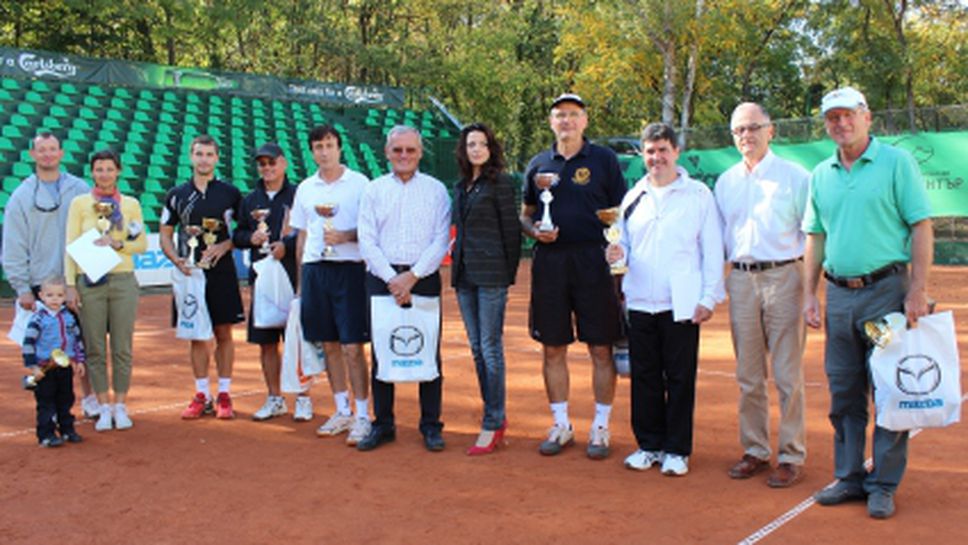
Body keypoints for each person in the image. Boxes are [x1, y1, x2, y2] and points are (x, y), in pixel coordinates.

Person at [803, 87, 933, 519]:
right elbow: (815, 236)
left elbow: (920, 225)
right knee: (843, 391)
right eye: (832, 118)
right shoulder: (821, 173)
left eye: (847, 115)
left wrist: (917, 288)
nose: (840, 124)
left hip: (885, 296)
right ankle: (849, 476)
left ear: (867, 116)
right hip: (839, 297)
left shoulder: (897, 163)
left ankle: (883, 484)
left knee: (890, 390)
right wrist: (809, 293)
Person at [608, 123, 724, 477]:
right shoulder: (634, 196)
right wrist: (615, 253)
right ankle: (648, 445)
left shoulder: (699, 194)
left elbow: (713, 249)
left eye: (662, 150)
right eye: (650, 151)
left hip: (682, 302)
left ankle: (677, 450)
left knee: (679, 376)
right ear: (643, 155)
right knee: (644, 377)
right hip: (641, 301)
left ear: (675, 152)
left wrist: (708, 297)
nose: (656, 158)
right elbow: (623, 244)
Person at [520, 93, 625, 459]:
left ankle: (601, 427)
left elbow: (621, 212)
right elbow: (526, 212)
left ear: (585, 120)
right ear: (551, 122)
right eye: (560, 115)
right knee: (552, 347)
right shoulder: (538, 164)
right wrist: (534, 232)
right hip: (550, 263)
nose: (566, 121)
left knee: (600, 347)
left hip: (594, 262)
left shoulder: (604, 160)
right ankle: (561, 424)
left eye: (573, 115)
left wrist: (617, 251)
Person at [714, 103, 810, 487]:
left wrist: (809, 285)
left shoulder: (795, 177)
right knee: (748, 375)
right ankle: (755, 449)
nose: (746, 135)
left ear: (771, 131)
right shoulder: (726, 182)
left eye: (754, 127)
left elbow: (813, 234)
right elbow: (719, 239)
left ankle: (790, 454)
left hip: (785, 276)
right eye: (739, 130)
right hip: (741, 279)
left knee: (788, 374)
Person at [356, 125, 450, 452]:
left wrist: (412, 276)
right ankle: (383, 424)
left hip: (423, 277)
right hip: (381, 279)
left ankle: (431, 425)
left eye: (410, 150)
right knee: (382, 351)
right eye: (398, 150)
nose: (404, 156)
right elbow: (366, 239)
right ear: (387, 152)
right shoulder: (374, 190)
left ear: (420, 152)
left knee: (428, 351)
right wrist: (392, 279)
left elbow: (442, 239)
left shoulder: (437, 190)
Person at [3, 132, 100, 419]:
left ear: (61, 153)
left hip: (78, 281)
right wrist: (22, 287)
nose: (47, 155)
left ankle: (91, 400)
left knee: (85, 343)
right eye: (41, 150)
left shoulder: (79, 189)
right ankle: (53, 408)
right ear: (32, 155)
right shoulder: (21, 196)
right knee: (48, 348)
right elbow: (13, 244)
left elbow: (94, 230)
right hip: (43, 285)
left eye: (52, 149)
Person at [289, 126, 373, 444]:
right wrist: (300, 282)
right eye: (318, 147)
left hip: (349, 270)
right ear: (312, 152)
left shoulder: (360, 184)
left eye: (329, 145)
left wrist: (346, 236)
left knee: (353, 347)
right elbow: (301, 235)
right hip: (314, 270)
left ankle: (363, 415)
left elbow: (370, 230)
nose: (324, 152)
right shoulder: (306, 188)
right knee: (329, 346)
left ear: (340, 148)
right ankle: (342, 410)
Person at [159, 135, 245, 420]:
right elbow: (165, 234)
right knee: (196, 336)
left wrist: (225, 245)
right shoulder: (176, 194)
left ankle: (223, 393)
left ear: (217, 158)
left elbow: (243, 233)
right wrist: (176, 259)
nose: (204, 159)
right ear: (190, 156)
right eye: (199, 154)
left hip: (221, 272)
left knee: (223, 333)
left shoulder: (231, 193)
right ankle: (200, 394)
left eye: (209, 154)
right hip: (191, 274)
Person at [64, 150, 148, 432]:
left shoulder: (131, 205)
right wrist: (70, 285)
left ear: (118, 171)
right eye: (99, 169)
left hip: (123, 280)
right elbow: (70, 247)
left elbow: (140, 245)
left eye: (109, 169)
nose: (104, 174)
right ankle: (102, 407)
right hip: (90, 283)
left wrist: (118, 244)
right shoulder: (80, 204)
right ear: (92, 172)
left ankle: (120, 405)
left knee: (122, 347)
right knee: (95, 348)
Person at [451, 123, 521, 456]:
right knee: (478, 348)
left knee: (491, 348)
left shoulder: (501, 184)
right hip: (464, 275)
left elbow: (512, 232)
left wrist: (506, 275)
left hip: (491, 276)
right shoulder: (461, 186)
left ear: (491, 148)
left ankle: (494, 421)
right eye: (470, 144)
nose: (476, 149)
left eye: (481, 144)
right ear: (463, 150)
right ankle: (492, 414)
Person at [231, 143, 301, 421]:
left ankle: (303, 397)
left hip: (294, 276)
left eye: (271, 162)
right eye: (262, 163)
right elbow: (237, 235)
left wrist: (288, 244)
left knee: (298, 340)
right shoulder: (250, 200)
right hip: (262, 278)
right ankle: (275, 398)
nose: (267, 168)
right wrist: (251, 238)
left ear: (283, 163)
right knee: (267, 342)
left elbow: (310, 232)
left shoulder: (299, 194)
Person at [22, 276, 87, 447]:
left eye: (59, 295)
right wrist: (33, 367)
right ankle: (46, 434)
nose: (55, 299)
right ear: (42, 296)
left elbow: (77, 339)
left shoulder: (69, 317)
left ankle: (67, 429)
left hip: (64, 367)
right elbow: (28, 344)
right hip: (45, 367)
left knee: (65, 399)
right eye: (50, 295)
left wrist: (79, 361)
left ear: (65, 297)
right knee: (46, 401)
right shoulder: (38, 319)